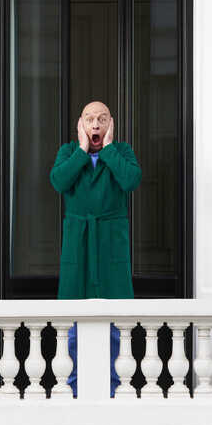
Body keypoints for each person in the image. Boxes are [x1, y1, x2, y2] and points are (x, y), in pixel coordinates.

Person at [49, 100, 142, 397]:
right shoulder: (68, 153)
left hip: (110, 244)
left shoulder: (121, 153)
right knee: (75, 321)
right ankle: (74, 389)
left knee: (115, 319)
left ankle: (114, 388)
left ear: (111, 124)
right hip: (79, 244)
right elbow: (59, 181)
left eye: (102, 119)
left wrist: (110, 149)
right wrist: (80, 150)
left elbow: (131, 180)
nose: (96, 124)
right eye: (90, 119)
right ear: (81, 125)